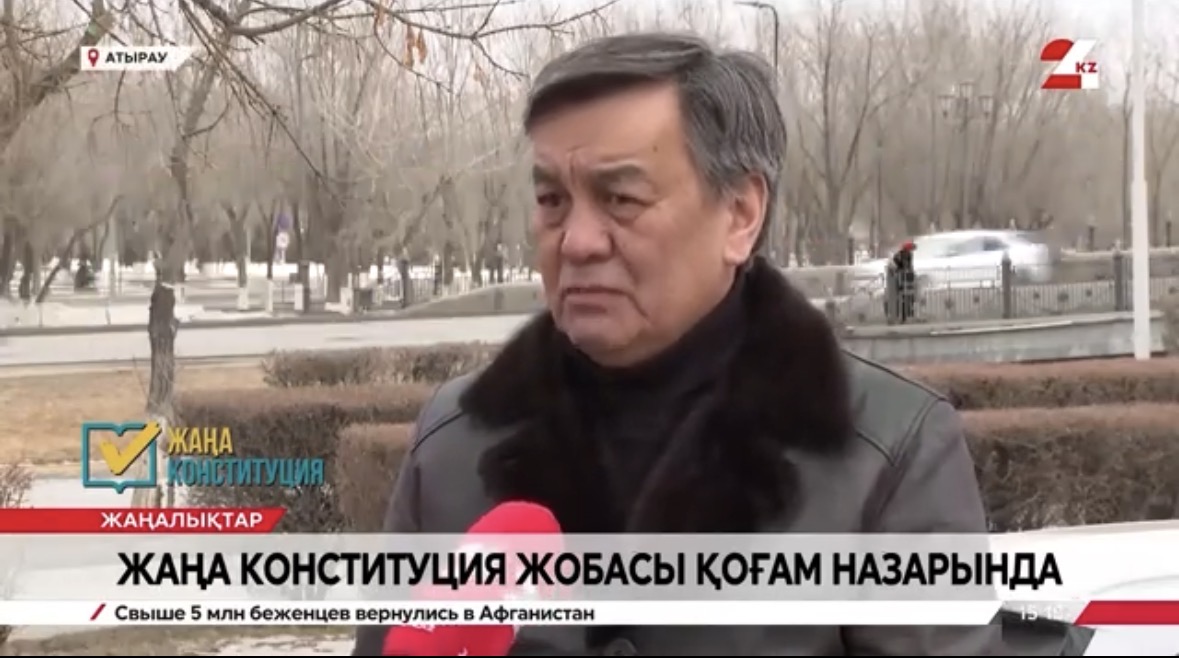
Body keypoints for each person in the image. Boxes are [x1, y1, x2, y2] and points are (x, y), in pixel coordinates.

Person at [353, 32, 1004, 656]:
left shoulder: (890, 450)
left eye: (620, 198)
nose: (577, 241)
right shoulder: (452, 443)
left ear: (740, 215)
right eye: (552, 199)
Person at [890, 241, 917, 324]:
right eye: (910, 249)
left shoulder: (907, 255)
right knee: (902, 298)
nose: (911, 251)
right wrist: (903, 269)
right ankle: (902, 316)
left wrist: (910, 271)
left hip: (905, 279)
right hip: (901, 279)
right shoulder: (900, 255)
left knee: (907, 298)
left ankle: (907, 315)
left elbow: (909, 266)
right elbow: (900, 265)